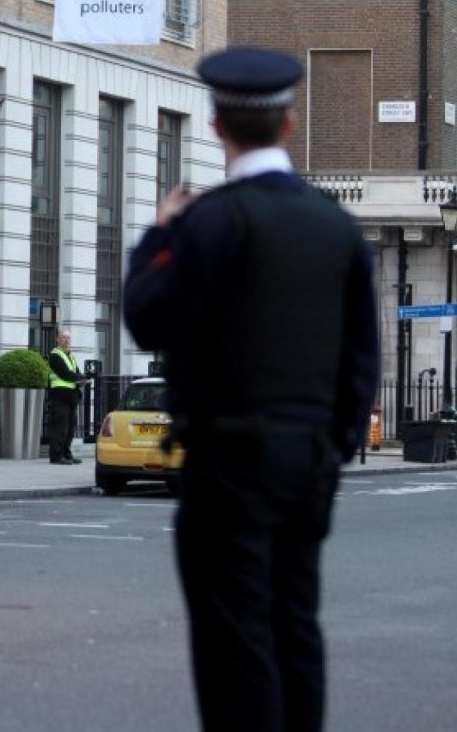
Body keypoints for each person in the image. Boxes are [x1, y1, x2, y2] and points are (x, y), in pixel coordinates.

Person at [122, 46, 379, 732]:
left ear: (216, 127)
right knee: (296, 624)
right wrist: (336, 442)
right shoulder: (336, 226)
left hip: (227, 458)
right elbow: (363, 354)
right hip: (308, 458)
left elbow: (149, 319)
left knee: (236, 642)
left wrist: (154, 238)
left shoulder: (211, 222)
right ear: (289, 125)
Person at [47, 328, 84, 464]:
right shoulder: (55, 355)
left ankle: (66, 453)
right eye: (63, 337)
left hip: (71, 396)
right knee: (59, 427)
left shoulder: (70, 356)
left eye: (68, 337)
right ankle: (56, 456)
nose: (67, 340)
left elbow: (76, 372)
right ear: (57, 339)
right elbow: (65, 374)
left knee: (70, 427)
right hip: (59, 396)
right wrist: (80, 379)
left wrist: (82, 379)